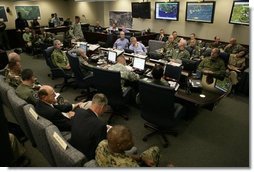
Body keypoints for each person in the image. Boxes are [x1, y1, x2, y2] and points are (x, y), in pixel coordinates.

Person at [95, 125, 160, 167]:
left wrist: (141, 158)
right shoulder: (129, 165)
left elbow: (122, 156)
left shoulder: (102, 144)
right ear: (119, 146)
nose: (132, 142)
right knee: (155, 149)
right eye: (128, 141)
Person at [70, 93, 109, 160]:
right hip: (87, 157)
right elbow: (101, 148)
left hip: (73, 149)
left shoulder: (78, 111)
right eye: (106, 108)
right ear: (103, 107)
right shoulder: (100, 126)